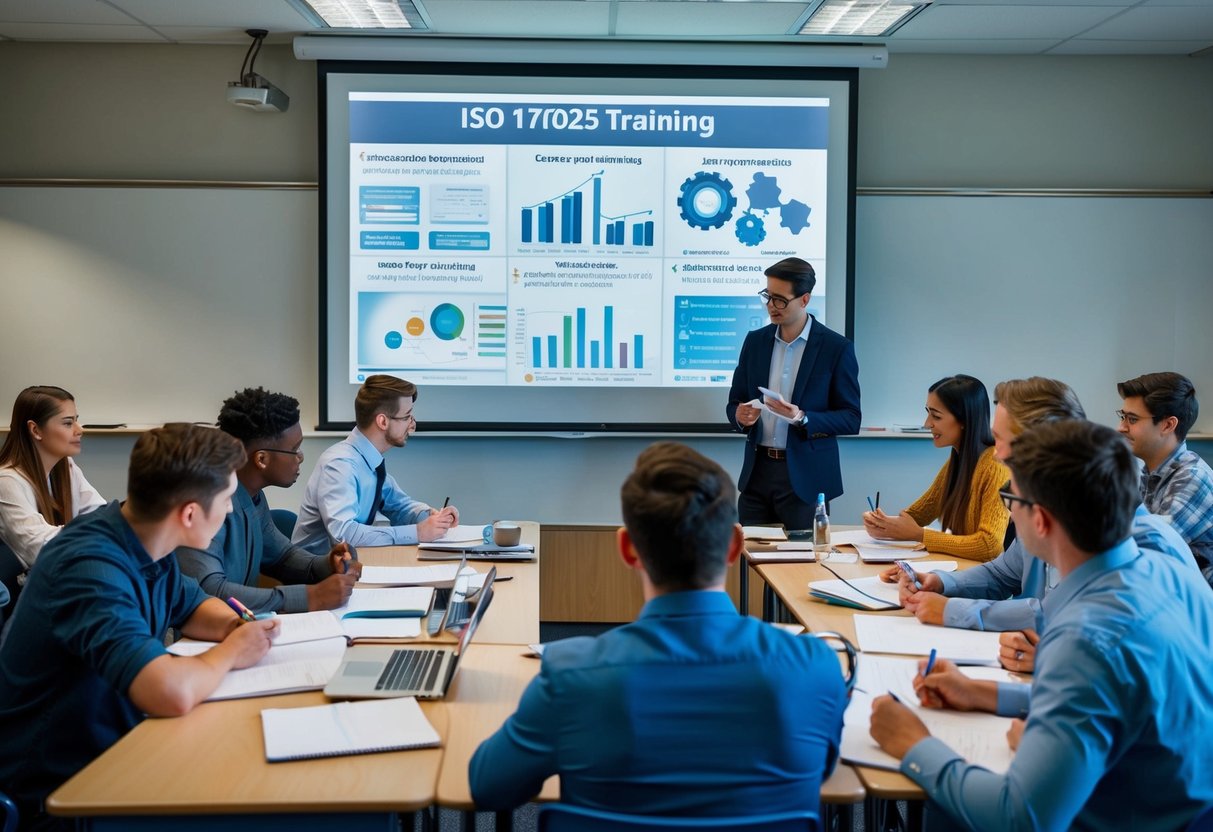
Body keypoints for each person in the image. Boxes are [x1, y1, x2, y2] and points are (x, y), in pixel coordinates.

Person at [869, 420, 1213, 831]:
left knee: (947, 806)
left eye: (1010, 496)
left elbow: (1019, 818)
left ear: (1042, 521)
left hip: (1130, 817)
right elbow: (1125, 698)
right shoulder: (1166, 569)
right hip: (1184, 805)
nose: (1007, 508)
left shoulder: (1086, 637)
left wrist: (913, 743)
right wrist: (985, 694)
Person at [469, 442, 847, 816]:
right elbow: (821, 769)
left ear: (628, 549)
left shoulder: (570, 676)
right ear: (735, 547)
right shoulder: (814, 664)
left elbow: (489, 787)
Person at [0, 423, 278, 828]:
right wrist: (234, 651)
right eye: (225, 501)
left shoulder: (143, 533)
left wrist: (236, 625)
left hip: (117, 746)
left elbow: (192, 605)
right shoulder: (90, 568)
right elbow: (169, 692)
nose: (232, 511)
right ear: (189, 514)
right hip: (56, 789)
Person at [886, 377, 1199, 674]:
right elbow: (1003, 573)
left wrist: (952, 611)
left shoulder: (1124, 537)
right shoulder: (1046, 503)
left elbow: (1056, 612)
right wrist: (941, 584)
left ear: (1042, 445)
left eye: (1001, 441)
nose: (996, 455)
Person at [177, 388, 361, 615]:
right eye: (294, 449)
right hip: (205, 639)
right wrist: (311, 597)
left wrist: (327, 564)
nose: (301, 457)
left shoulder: (253, 495)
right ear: (261, 459)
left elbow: (282, 557)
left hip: (245, 630)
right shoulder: (206, 500)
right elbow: (209, 591)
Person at [726, 257, 861, 530]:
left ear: (805, 299)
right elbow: (734, 402)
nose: (770, 306)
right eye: (767, 296)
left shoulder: (836, 348)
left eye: (780, 300)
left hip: (806, 479)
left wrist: (802, 417)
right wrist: (739, 415)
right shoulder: (755, 342)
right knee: (751, 562)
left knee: (803, 565)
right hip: (757, 474)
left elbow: (850, 418)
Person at [293, 374, 458, 554]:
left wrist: (431, 516)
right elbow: (344, 535)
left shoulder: (369, 461)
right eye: (407, 417)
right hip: (317, 573)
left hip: (347, 566)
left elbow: (399, 506)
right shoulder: (340, 465)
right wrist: (417, 532)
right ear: (383, 421)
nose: (412, 426)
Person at [864, 375, 1008, 561]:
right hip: (965, 570)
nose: (927, 424)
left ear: (964, 420)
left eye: (936, 416)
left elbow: (989, 546)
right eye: (928, 412)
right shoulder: (958, 460)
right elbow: (917, 516)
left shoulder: (996, 467)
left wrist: (920, 535)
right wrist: (883, 523)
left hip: (986, 578)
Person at [1117, 371, 1213, 588]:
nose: (1121, 427)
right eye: (1122, 417)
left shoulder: (1192, 479)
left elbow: (1144, 556)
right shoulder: (1150, 475)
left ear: (1168, 425)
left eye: (1132, 419)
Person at [0, 386, 105, 570]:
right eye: (67, 423)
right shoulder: (7, 481)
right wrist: (96, 531)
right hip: (32, 589)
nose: (79, 430)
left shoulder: (67, 467)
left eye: (76, 421)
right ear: (35, 430)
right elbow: (39, 547)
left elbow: (99, 514)